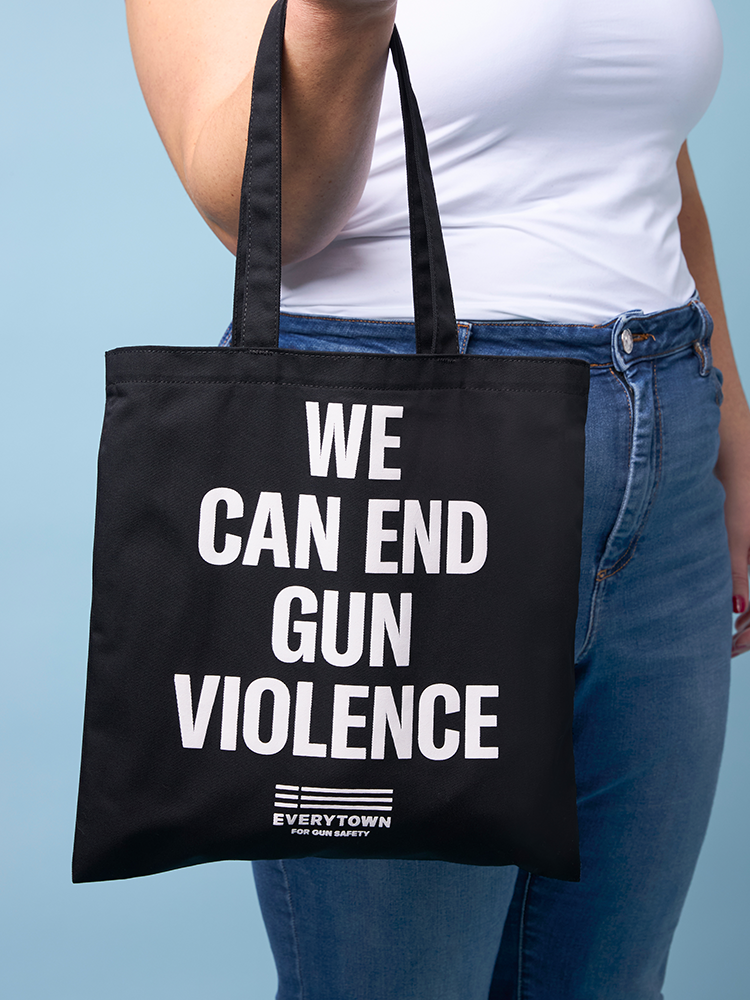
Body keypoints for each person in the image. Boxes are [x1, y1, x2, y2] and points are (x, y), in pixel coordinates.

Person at [125, 0, 750, 996]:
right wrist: (345, 19)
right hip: (395, 473)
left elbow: (642, 149)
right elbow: (257, 215)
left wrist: (730, 419)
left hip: (662, 431)